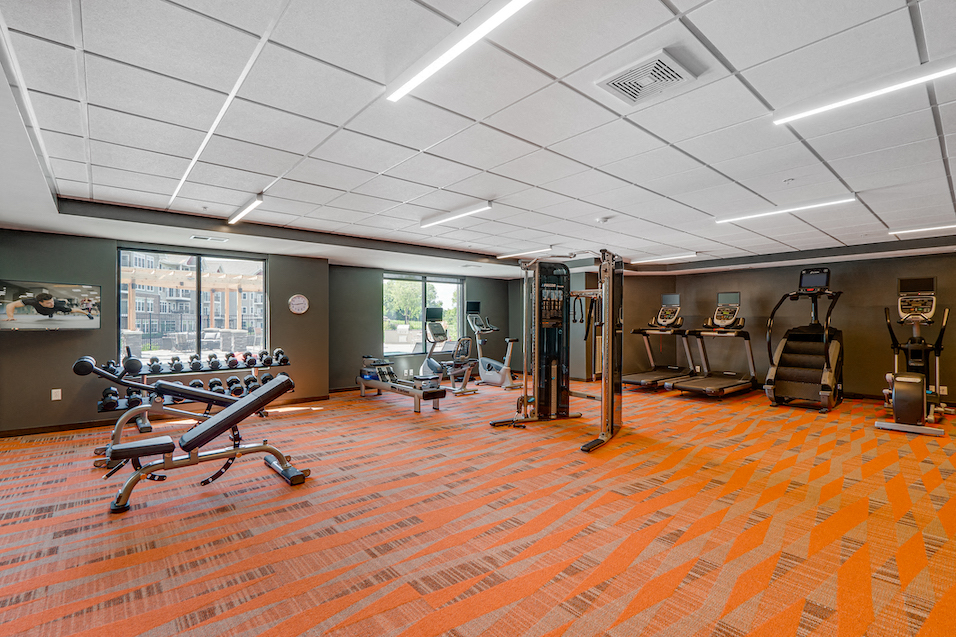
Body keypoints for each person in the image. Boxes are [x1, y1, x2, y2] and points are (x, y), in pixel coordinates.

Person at [3, 293, 94, 321]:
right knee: (59, 302)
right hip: (41, 311)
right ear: (40, 302)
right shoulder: (33, 301)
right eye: (48, 303)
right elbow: (11, 305)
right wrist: (10, 317)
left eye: (51, 301)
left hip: (54, 308)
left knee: (63, 302)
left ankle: (63, 300)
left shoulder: (57, 305)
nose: (51, 304)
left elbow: (75, 310)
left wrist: (87, 314)